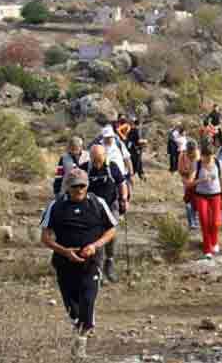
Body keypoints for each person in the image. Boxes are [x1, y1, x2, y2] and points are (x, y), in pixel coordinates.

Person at [40, 168, 117, 359]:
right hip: (64, 262)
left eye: (82, 185)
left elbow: (111, 230)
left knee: (88, 301)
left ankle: (80, 346)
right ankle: (81, 325)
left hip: (90, 261)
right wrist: (64, 251)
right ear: (68, 187)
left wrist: (95, 245)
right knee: (72, 307)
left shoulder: (97, 203)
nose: (79, 190)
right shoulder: (56, 206)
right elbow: (45, 237)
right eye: (75, 186)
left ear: (87, 185)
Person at [79, 144, 128, 283]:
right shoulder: (84, 169)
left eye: (99, 158)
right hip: (92, 207)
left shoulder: (112, 167)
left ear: (104, 156)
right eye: (94, 159)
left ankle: (109, 263)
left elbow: (122, 184)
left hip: (111, 206)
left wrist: (124, 198)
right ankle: (98, 269)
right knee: (97, 237)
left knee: (111, 235)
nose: (97, 162)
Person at [187, 143, 222, 258]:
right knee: (204, 222)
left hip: (216, 195)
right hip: (201, 196)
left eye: (210, 156)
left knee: (215, 222)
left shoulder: (218, 163)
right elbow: (190, 182)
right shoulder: (197, 164)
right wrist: (201, 180)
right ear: (202, 155)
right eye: (205, 156)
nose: (208, 159)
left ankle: (214, 241)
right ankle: (207, 249)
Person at [179, 141, 201, 229]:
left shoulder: (198, 156)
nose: (191, 152)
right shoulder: (183, 155)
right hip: (187, 182)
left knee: (195, 202)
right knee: (188, 203)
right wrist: (187, 173)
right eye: (190, 150)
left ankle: (195, 220)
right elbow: (180, 170)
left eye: (193, 150)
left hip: (197, 183)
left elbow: (199, 170)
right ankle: (191, 222)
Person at [126, 117, 146, 181]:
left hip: (131, 150)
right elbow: (138, 141)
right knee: (136, 165)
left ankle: (142, 177)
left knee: (138, 164)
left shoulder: (129, 130)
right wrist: (145, 141)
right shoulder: (135, 131)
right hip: (136, 150)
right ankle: (130, 178)